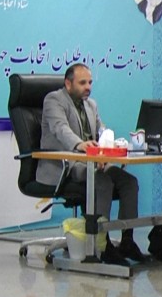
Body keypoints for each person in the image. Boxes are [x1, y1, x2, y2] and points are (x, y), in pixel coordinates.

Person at [37, 63, 145, 264]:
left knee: (129, 182)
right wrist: (80, 145)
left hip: (92, 162)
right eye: (83, 83)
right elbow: (60, 129)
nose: (88, 87)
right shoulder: (54, 100)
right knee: (102, 180)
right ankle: (102, 245)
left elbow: (101, 130)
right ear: (68, 84)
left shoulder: (91, 105)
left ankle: (127, 241)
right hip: (64, 165)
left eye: (90, 82)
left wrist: (109, 146)